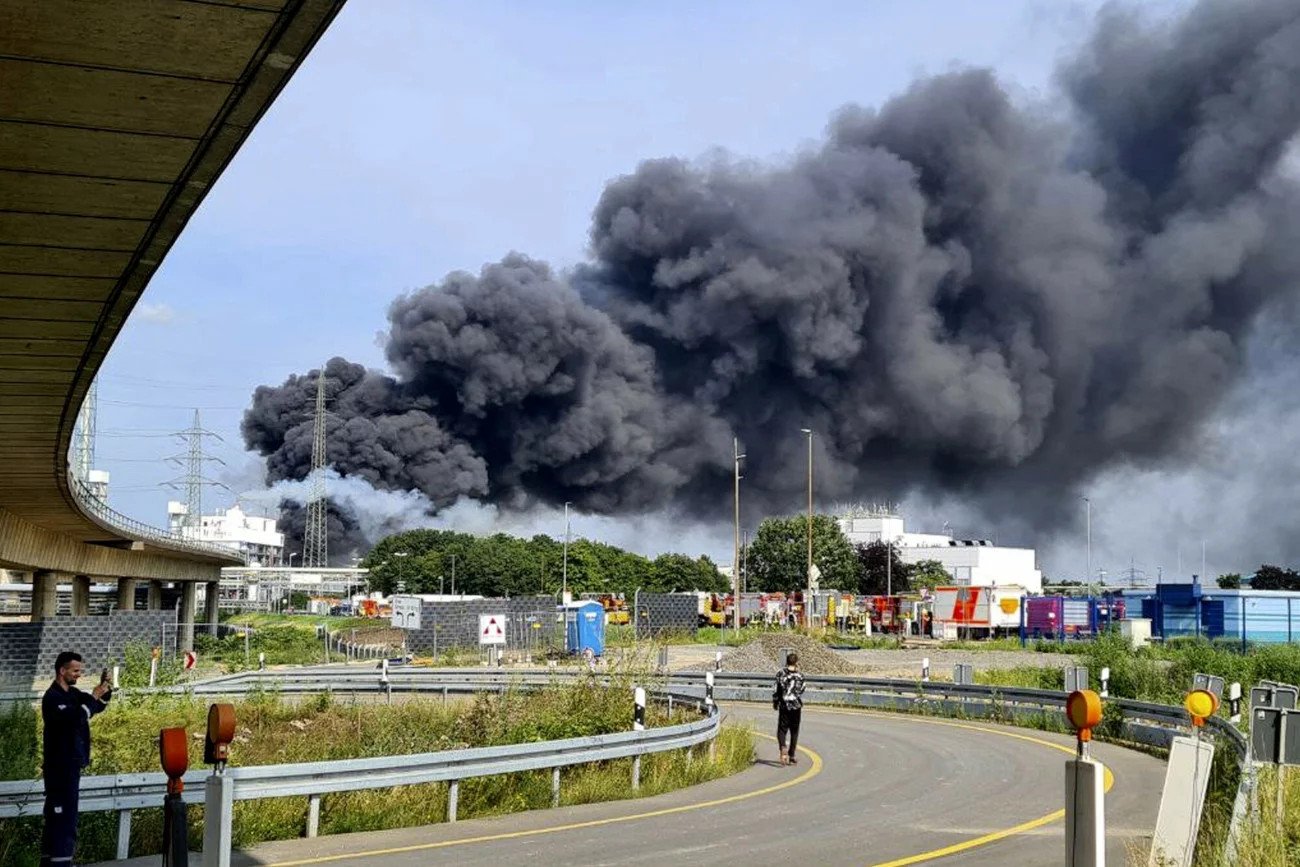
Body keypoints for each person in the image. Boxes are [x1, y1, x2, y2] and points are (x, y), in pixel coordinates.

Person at [41, 651, 111, 865]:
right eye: (75, 670)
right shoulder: (52, 698)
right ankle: (60, 862)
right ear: (62, 671)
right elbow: (76, 717)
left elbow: (95, 706)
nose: (79, 674)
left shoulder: (73, 694)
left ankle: (51, 862)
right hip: (59, 768)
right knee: (63, 821)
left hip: (71, 766)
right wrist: (93, 697)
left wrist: (105, 690)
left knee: (59, 820)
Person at [774, 652, 805, 766]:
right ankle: (792, 754)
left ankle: (783, 747)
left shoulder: (780, 674)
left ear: (786, 661)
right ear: (796, 662)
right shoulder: (800, 676)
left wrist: (776, 702)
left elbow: (776, 690)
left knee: (782, 729)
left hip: (784, 705)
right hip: (796, 706)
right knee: (794, 731)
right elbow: (802, 690)